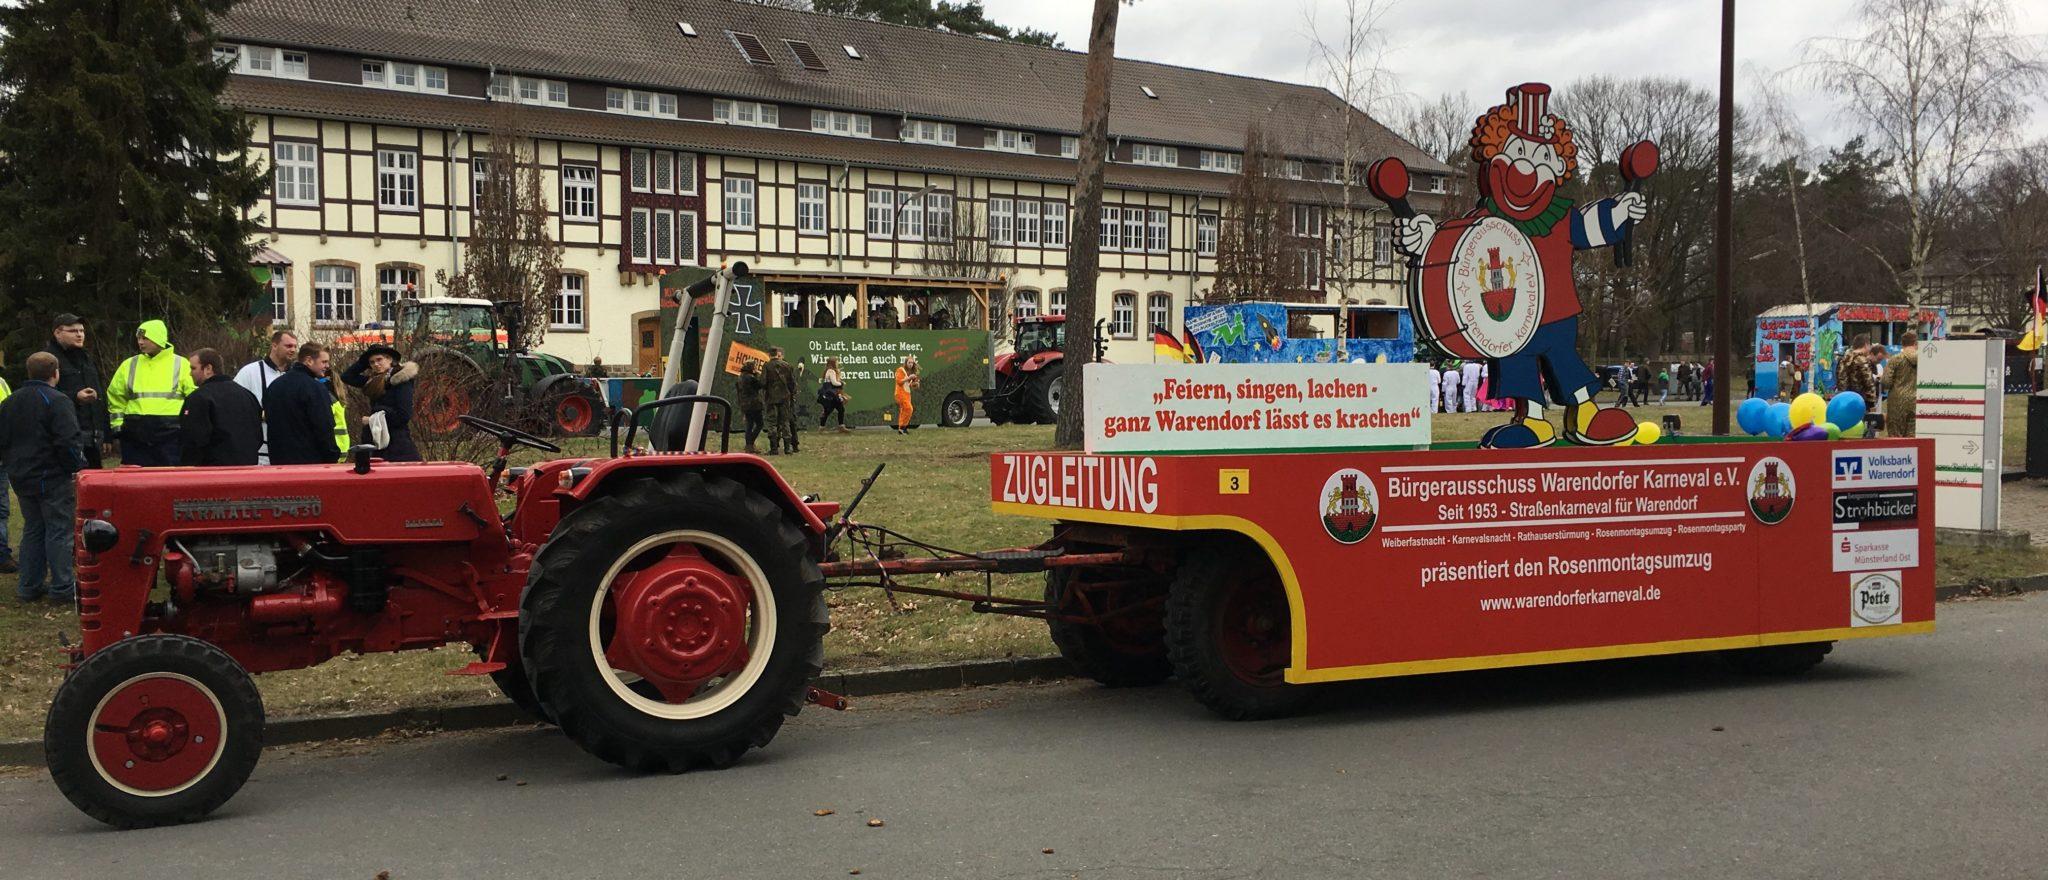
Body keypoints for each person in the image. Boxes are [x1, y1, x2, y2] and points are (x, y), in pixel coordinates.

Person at [0, 352, 84, 603]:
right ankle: (62, 587)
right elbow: (68, 441)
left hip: (21, 476)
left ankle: (29, 585)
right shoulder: (57, 401)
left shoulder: (10, 402)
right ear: (55, 373)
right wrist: (75, 467)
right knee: (59, 531)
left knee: (33, 529)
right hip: (52, 476)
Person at [106, 319, 196, 466]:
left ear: (158, 338)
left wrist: (188, 427)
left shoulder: (181, 364)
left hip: (171, 433)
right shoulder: (129, 364)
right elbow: (115, 397)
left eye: (145, 338)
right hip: (135, 433)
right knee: (135, 477)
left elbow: (194, 398)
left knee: (169, 476)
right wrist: (118, 426)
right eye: (138, 338)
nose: (140, 342)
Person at [177, 348, 262, 466]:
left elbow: (193, 440)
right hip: (247, 467)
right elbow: (258, 435)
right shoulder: (247, 395)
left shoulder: (199, 398)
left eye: (193, 368)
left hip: (212, 470)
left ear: (208, 369)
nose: (190, 373)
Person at [45, 314, 108, 469]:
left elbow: (101, 397)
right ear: (57, 333)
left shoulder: (87, 358)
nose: (80, 335)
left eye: (82, 331)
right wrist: (76, 397)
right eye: (73, 331)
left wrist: (106, 433)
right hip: (65, 438)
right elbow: (44, 396)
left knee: (93, 482)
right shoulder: (47, 360)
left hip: (92, 438)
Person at [341, 344, 421, 461]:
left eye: (379, 360)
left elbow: (403, 416)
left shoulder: (401, 381)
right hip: (378, 441)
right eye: (372, 362)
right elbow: (347, 377)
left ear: (389, 359)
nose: (376, 364)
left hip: (398, 445)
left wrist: (373, 419)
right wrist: (364, 362)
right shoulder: (374, 381)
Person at [266, 342, 342, 464]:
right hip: (310, 462)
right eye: (324, 362)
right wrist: (332, 456)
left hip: (278, 461)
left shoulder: (274, 386)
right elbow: (324, 427)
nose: (327, 366)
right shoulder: (315, 388)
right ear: (309, 361)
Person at [234, 329, 299, 465]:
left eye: (295, 346)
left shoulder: (298, 375)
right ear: (274, 345)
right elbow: (235, 405)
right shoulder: (250, 372)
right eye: (288, 346)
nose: (293, 350)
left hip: (290, 450)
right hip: (259, 451)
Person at [761, 346, 798, 455]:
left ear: (769, 354)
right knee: (785, 421)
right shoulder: (787, 365)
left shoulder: (767, 366)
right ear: (778, 354)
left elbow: (763, 382)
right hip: (785, 397)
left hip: (771, 398)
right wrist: (791, 393)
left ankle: (774, 448)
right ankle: (787, 448)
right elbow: (792, 383)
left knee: (772, 422)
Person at [1884, 331, 1920, 438]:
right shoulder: (1923, 359)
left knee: (1895, 436)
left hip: (1896, 400)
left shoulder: (1895, 359)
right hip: (1916, 399)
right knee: (1912, 435)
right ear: (1915, 343)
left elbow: (1886, 382)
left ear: (1902, 343)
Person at [1837, 333, 1879, 414]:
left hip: (1844, 398)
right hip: (1859, 399)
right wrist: (1872, 402)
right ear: (1866, 345)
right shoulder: (1862, 360)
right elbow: (1869, 382)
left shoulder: (1843, 359)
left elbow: (1840, 380)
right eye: (1869, 346)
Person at [737, 359, 766, 453]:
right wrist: (757, 374)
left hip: (745, 404)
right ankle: (750, 443)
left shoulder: (740, 377)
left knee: (749, 425)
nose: (756, 368)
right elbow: (761, 385)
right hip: (754, 405)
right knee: (760, 424)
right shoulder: (751, 378)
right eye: (755, 366)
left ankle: (749, 445)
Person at [818, 356, 849, 432]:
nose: (838, 363)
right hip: (831, 394)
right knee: (828, 410)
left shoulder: (830, 370)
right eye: (837, 362)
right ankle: (822, 428)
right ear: (833, 363)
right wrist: (841, 383)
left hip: (832, 393)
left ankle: (841, 426)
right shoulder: (831, 371)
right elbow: (834, 383)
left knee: (840, 408)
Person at [893, 355, 920, 434]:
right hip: (900, 393)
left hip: (907, 394)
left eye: (912, 363)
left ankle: (902, 429)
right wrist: (909, 378)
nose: (911, 364)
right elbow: (899, 382)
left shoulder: (910, 372)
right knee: (909, 409)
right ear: (905, 363)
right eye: (909, 363)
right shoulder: (900, 370)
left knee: (904, 410)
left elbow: (909, 385)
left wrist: (915, 384)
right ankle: (903, 427)